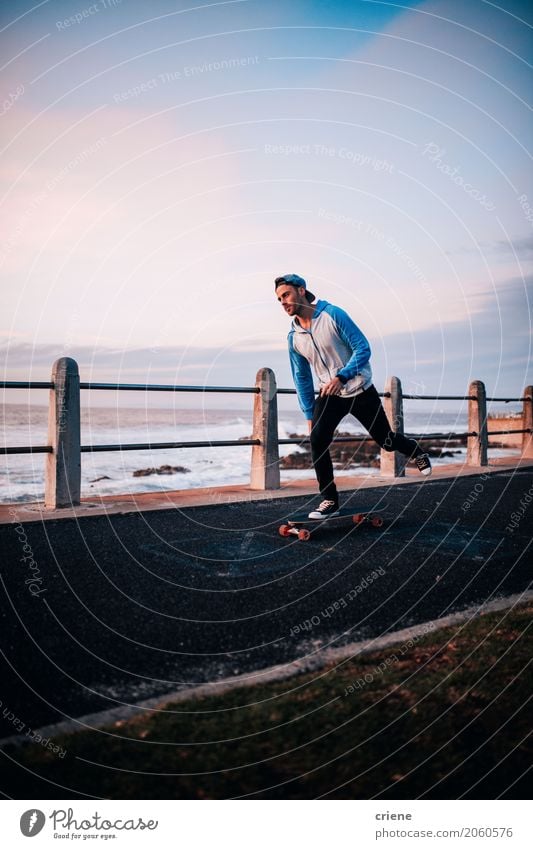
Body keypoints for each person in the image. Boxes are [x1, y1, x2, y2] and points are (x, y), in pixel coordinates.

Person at [275, 273, 432, 519]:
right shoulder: (294, 338)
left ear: (302, 290)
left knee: (386, 441)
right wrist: (308, 412)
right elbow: (302, 377)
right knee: (317, 441)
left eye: (286, 295)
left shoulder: (333, 315)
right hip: (329, 394)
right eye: (279, 299)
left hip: (359, 388)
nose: (283, 302)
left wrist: (343, 376)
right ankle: (329, 500)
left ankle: (415, 450)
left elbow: (363, 348)